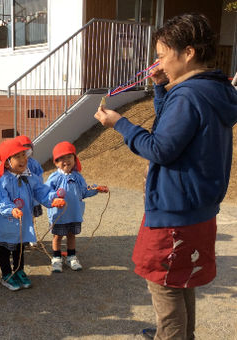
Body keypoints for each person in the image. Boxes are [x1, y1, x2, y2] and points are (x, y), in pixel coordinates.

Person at [94, 13, 237, 340]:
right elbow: (174, 129)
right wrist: (161, 89)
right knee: (180, 279)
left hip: (175, 212)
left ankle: (172, 335)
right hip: (198, 209)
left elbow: (160, 148)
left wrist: (121, 124)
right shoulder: (210, 91)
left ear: (187, 53)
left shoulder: (188, 95)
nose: (157, 62)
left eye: (161, 55)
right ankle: (181, 334)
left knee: (164, 283)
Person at [0, 139, 65, 291]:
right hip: (7, 223)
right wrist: (11, 209)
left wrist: (52, 199)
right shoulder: (3, 181)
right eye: (17, 156)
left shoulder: (29, 177)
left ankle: (19, 270)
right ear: (7, 163)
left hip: (22, 221)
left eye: (23, 155)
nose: (23, 159)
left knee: (19, 247)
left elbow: (40, 190)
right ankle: (6, 274)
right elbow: (0, 199)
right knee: (5, 249)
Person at [45, 142, 108, 273]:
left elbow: (84, 192)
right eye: (62, 158)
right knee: (57, 236)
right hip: (59, 215)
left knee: (71, 235)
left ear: (74, 159)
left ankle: (71, 257)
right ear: (56, 162)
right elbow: (46, 193)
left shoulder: (78, 177)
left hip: (74, 214)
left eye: (69, 157)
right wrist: (53, 198)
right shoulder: (54, 177)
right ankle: (56, 258)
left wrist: (96, 189)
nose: (66, 161)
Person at [14, 135, 44, 219]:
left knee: (32, 219)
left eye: (28, 147)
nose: (27, 149)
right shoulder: (14, 164)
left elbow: (40, 177)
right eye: (24, 147)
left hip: (33, 196)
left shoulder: (34, 163)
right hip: (19, 197)